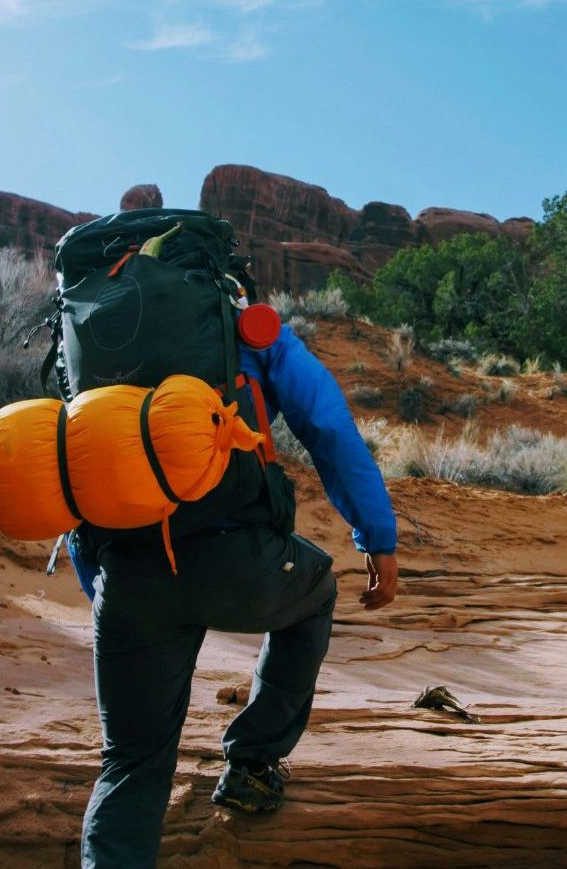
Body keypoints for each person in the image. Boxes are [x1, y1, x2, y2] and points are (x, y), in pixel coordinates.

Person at [74, 318, 399, 868]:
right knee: (316, 590)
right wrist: (377, 536)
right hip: (239, 561)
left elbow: (70, 461)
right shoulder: (249, 329)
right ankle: (252, 765)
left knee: (129, 763)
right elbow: (328, 428)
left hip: (131, 573)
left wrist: (101, 590)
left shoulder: (96, 334)